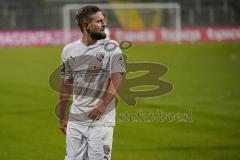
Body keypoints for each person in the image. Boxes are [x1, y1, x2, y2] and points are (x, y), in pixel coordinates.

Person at [58, 6, 126, 160]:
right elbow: (66, 83)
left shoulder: (112, 48)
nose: (104, 24)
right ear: (86, 26)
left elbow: (118, 77)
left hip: (101, 121)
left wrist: (102, 105)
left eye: (103, 20)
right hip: (76, 119)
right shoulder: (69, 50)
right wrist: (61, 117)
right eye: (99, 21)